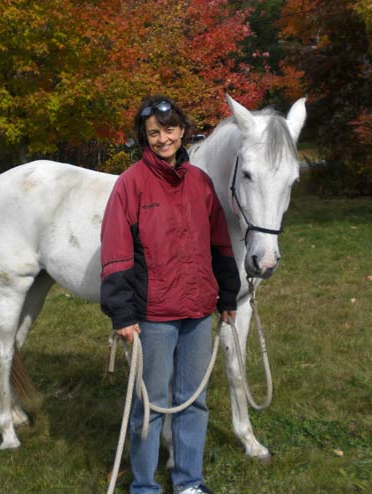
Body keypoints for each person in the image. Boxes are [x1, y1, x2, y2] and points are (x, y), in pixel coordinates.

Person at [100, 95, 240, 494]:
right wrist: (123, 314)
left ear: (182, 130)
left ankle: (189, 482)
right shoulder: (131, 184)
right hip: (154, 315)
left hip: (198, 310)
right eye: (154, 133)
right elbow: (115, 252)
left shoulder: (200, 183)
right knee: (151, 402)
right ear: (144, 138)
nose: (164, 139)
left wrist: (227, 297)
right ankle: (144, 485)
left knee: (194, 399)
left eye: (170, 130)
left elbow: (220, 244)